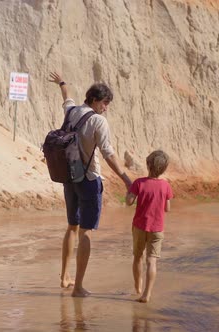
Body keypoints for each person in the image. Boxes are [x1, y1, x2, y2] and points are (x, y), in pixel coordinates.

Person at [49, 71, 132, 297]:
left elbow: (66, 98)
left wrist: (62, 83)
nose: (106, 108)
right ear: (95, 100)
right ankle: (78, 287)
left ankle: (65, 277)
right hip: (88, 180)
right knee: (86, 232)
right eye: (105, 103)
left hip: (69, 178)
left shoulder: (72, 111)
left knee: (71, 227)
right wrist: (126, 180)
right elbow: (109, 154)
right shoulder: (98, 121)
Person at [125, 150, 173, 303]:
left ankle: (137, 287)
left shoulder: (139, 183)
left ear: (148, 164)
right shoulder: (166, 186)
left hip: (139, 226)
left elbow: (129, 201)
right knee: (152, 260)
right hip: (157, 228)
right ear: (164, 169)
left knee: (138, 257)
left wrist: (129, 193)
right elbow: (167, 208)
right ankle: (147, 293)